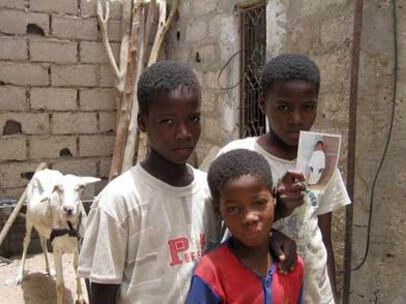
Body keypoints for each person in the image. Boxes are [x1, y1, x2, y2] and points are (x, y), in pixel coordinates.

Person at [77, 61, 297, 304]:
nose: (183, 132)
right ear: (142, 123)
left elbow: (238, 239)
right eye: (168, 122)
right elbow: (102, 294)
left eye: (193, 119)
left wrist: (272, 234)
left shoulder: (209, 190)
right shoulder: (119, 201)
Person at [218, 54, 351, 304]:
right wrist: (273, 219)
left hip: (313, 293)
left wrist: (331, 297)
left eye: (308, 106)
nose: (297, 118)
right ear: (262, 104)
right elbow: (222, 234)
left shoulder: (322, 161)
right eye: (283, 107)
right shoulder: (238, 157)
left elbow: (322, 239)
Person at [187, 149, 304, 304]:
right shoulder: (212, 272)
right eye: (234, 209)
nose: (249, 218)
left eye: (259, 203)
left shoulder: (292, 266)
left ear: (274, 197)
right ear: (218, 211)